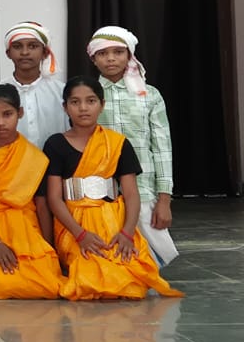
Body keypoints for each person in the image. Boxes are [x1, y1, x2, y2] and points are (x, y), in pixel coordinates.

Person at [44, 77, 182, 300]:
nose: (83, 108)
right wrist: (80, 234)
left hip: (113, 222)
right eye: (75, 102)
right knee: (91, 279)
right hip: (73, 225)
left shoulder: (117, 143)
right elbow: (54, 198)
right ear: (65, 107)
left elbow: (131, 194)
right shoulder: (55, 144)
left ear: (102, 105)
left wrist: (127, 233)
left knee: (130, 278)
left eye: (90, 101)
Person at [0, 84, 63, 300]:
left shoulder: (33, 157)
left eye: (7, 114)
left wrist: (48, 246)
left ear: (20, 113)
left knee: (48, 284)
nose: (0, 122)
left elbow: (42, 206)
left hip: (27, 228)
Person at [87, 26, 178, 267]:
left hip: (144, 186)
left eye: (118, 52)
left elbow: (162, 149)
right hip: (100, 190)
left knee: (150, 255)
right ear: (93, 58)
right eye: (103, 53)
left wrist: (164, 200)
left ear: (129, 56)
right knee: (107, 255)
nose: (111, 58)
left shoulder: (149, 95)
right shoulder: (87, 96)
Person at [4, 21, 66, 146]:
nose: (25, 52)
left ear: (45, 53)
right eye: (17, 46)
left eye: (32, 46)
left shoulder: (61, 92)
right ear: (8, 53)